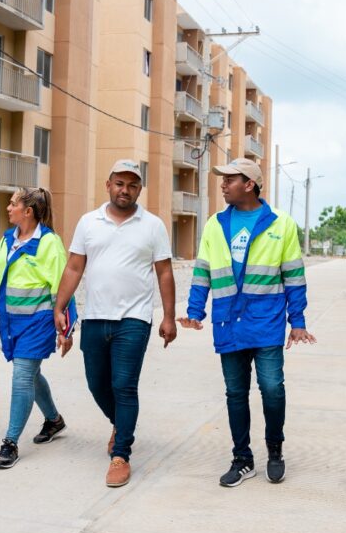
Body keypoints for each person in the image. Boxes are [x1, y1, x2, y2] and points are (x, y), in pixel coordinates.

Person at [180, 157, 315, 488]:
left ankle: (274, 450)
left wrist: (297, 321)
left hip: (266, 321)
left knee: (271, 389)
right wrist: (195, 311)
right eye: (223, 179)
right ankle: (242, 459)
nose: (223, 184)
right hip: (228, 321)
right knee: (235, 393)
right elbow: (202, 271)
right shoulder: (215, 224)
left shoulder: (280, 224)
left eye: (230, 179)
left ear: (250, 184)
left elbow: (294, 276)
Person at [54, 159, 176, 488]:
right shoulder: (88, 222)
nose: (125, 190)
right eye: (119, 183)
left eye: (132, 185)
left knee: (124, 385)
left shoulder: (152, 225)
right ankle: (121, 425)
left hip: (133, 320)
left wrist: (168, 316)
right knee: (97, 384)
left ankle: (121, 453)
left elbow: (164, 271)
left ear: (139, 189)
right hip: (94, 317)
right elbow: (74, 267)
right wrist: (60, 306)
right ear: (108, 185)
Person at [0, 187, 76, 469]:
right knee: (31, 376)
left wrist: (65, 330)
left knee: (21, 377)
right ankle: (54, 420)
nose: (8, 208)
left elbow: (63, 286)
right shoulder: (8, 240)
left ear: (28, 211)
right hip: (12, 324)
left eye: (12, 204)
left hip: (37, 323)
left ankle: (10, 442)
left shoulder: (49, 243)